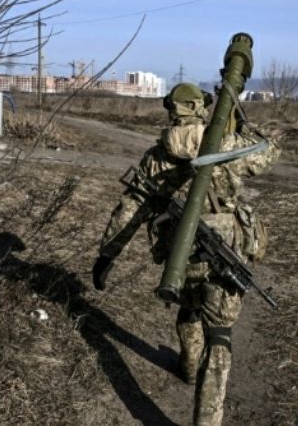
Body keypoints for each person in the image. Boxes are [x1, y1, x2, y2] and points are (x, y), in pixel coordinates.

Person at [92, 82, 280, 426]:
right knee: (219, 334)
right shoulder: (226, 145)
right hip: (224, 251)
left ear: (171, 111)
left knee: (189, 307)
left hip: (180, 257)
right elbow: (269, 151)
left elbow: (131, 208)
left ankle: (189, 367)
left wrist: (107, 255)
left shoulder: (157, 157)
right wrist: (241, 119)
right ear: (201, 108)